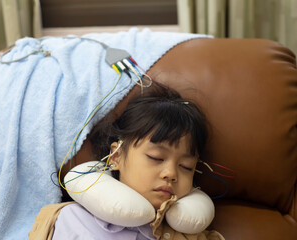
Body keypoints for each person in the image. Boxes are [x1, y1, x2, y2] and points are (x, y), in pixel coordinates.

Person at [29, 84, 224, 240]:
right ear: (116, 156)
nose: (171, 174)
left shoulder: (195, 236)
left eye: (186, 167)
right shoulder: (70, 219)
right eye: (156, 157)